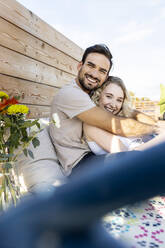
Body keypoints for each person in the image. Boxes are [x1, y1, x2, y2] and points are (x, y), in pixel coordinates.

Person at [49, 44, 157, 177]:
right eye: (91, 65)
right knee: (138, 162)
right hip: (80, 166)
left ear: (106, 77)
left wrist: (153, 123)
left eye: (102, 71)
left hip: (92, 157)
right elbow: (114, 124)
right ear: (79, 66)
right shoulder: (71, 94)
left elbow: (131, 112)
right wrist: (156, 128)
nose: (94, 74)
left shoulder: (89, 93)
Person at [83, 76, 160, 155]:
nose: (113, 105)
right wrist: (158, 143)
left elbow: (137, 114)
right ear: (98, 95)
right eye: (109, 96)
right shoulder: (90, 125)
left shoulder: (118, 118)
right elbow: (125, 153)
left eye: (119, 100)